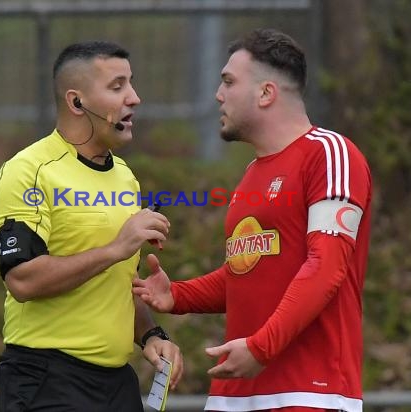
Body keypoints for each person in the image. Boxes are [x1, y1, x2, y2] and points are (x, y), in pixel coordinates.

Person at [133, 28, 372, 412]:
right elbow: (249, 273)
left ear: (266, 94)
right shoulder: (251, 174)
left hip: (309, 394)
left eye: (229, 81)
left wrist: (262, 347)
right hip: (236, 397)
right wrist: (178, 294)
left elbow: (327, 266)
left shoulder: (330, 154)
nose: (218, 94)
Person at [0, 41, 183, 412]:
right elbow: (23, 280)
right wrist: (115, 248)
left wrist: (151, 335)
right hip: (47, 380)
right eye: (117, 86)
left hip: (116, 383)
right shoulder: (28, 171)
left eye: (132, 83)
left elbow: (117, 282)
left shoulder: (125, 177)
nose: (135, 98)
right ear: (77, 102)